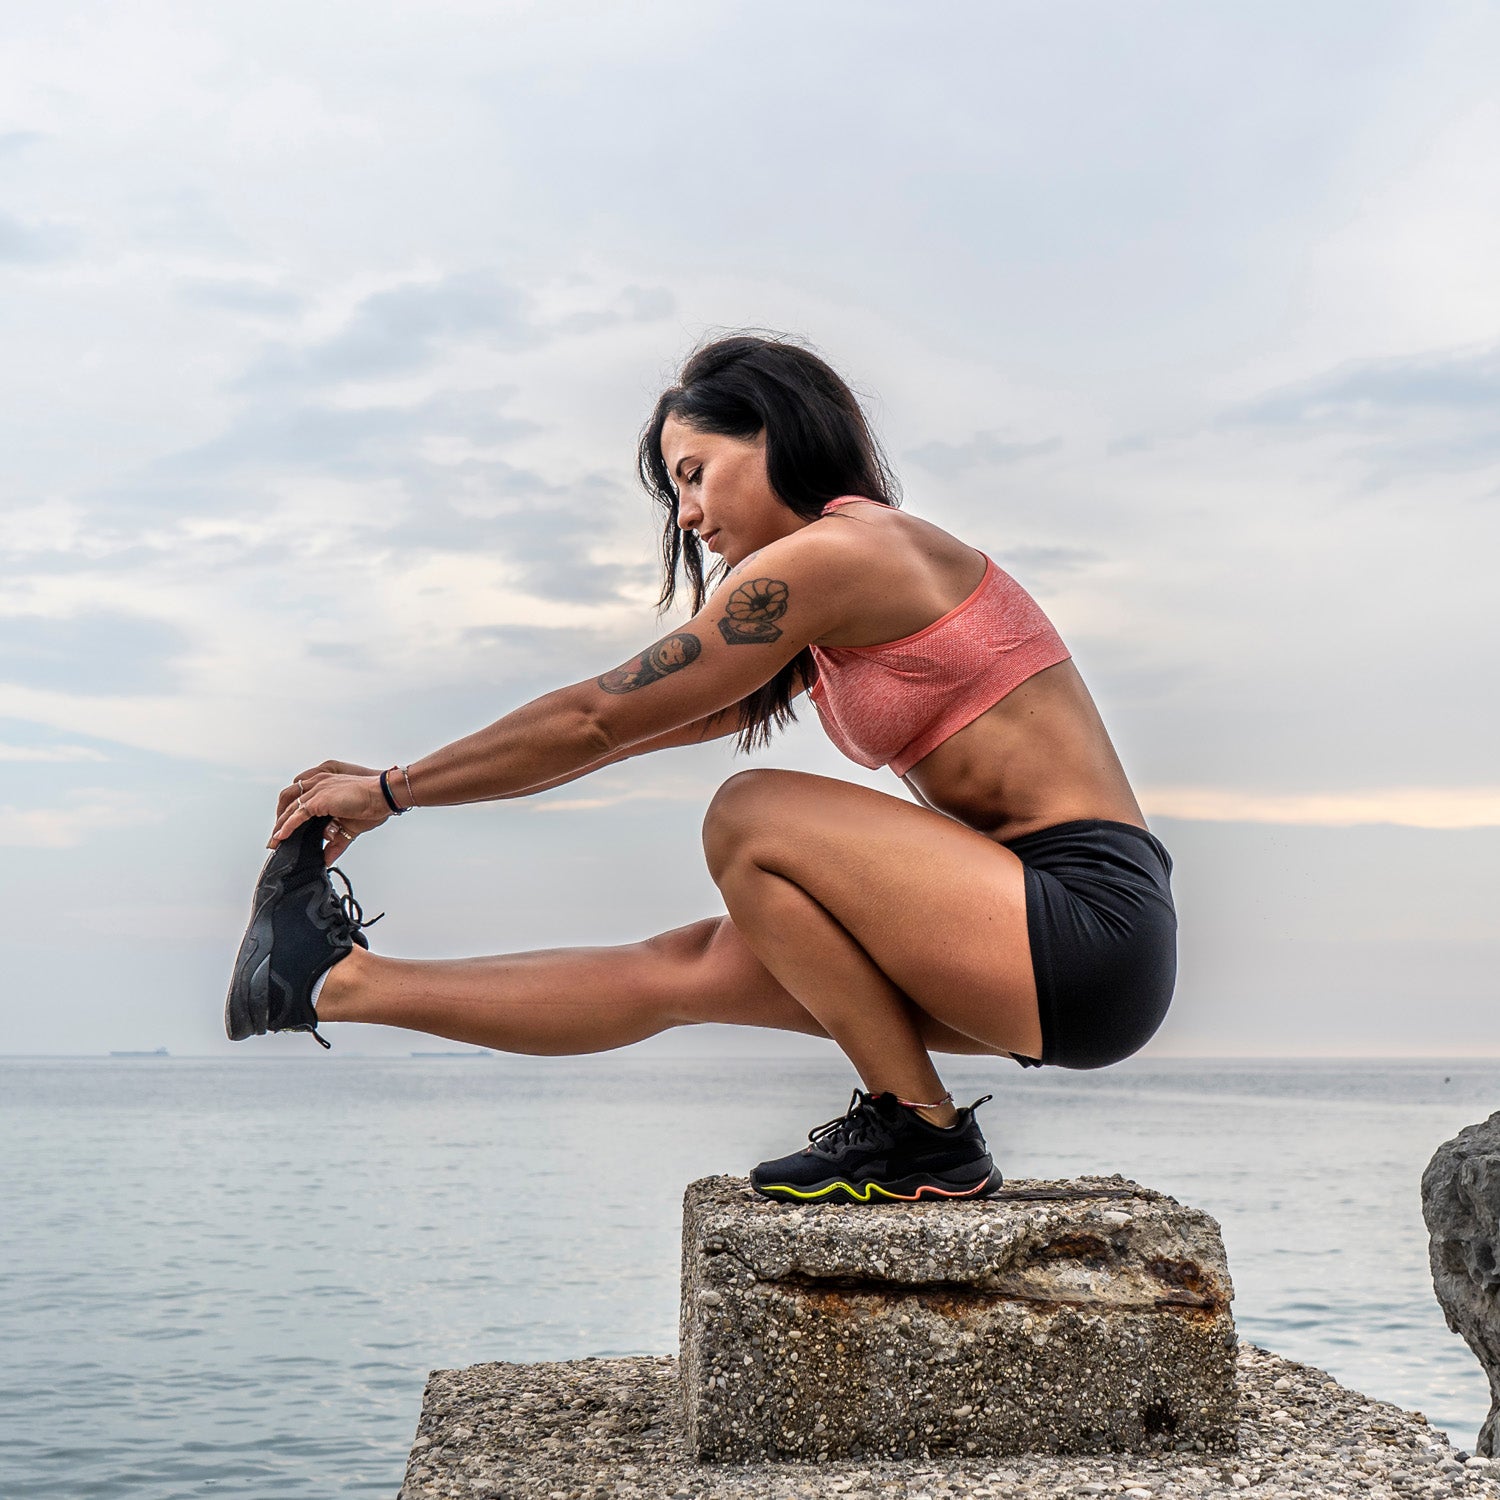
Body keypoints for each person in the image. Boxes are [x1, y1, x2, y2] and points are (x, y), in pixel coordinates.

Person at [226, 334, 1176, 1205]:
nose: (688, 517)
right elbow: (625, 729)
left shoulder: (848, 551)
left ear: (773, 433)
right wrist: (412, 781)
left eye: (694, 476)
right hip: (1024, 946)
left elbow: (597, 718)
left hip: (1084, 923)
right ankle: (330, 985)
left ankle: (919, 1131)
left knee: (751, 815)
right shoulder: (825, 602)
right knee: (682, 967)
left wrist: (392, 791)